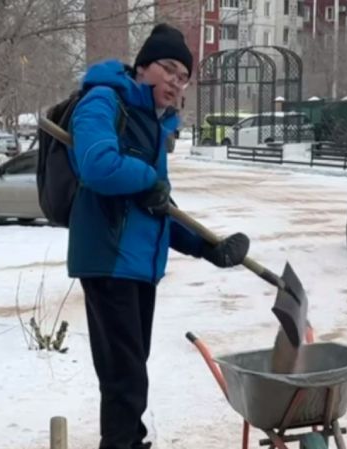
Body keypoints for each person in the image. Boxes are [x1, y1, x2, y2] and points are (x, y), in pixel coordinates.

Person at [67, 24, 250, 449]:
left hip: (137, 265)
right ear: (143, 66)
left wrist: (208, 247)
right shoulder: (104, 100)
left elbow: (158, 207)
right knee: (125, 378)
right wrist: (149, 178)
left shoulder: (152, 124)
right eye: (168, 69)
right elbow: (96, 164)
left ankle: (129, 441)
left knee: (129, 373)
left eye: (183, 77)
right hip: (109, 259)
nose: (175, 81)